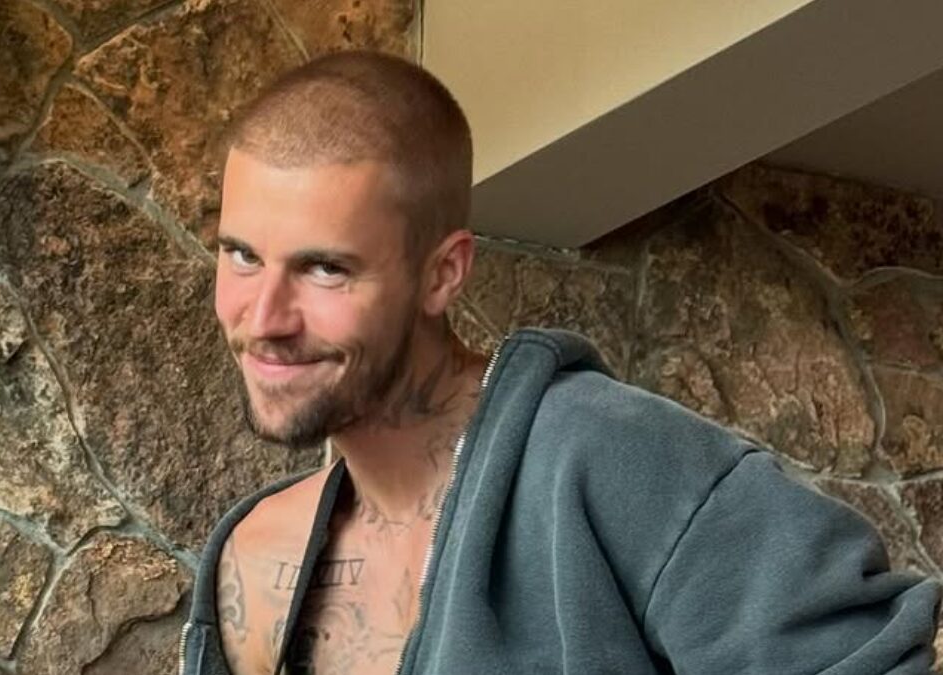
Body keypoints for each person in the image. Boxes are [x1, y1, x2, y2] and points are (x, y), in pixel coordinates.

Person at [178, 50, 941, 675]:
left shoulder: (618, 460)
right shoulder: (253, 556)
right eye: (241, 255)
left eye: (325, 269)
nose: (265, 318)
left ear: (443, 273)